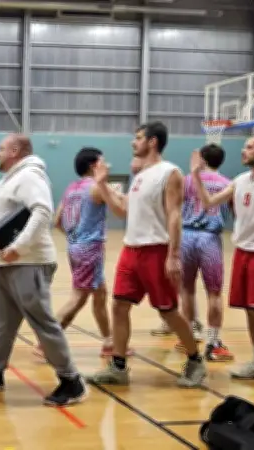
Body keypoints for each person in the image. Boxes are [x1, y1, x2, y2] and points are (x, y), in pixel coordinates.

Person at [0, 134, 86, 407]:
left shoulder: (29, 176)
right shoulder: (10, 179)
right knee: (1, 319)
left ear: (15, 151)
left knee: (42, 323)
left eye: (1, 148)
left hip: (29, 262)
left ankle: (71, 381)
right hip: (10, 263)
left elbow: (43, 211)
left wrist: (19, 246)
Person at [87, 121, 207, 388]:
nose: (133, 142)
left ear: (153, 142)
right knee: (119, 305)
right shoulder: (140, 176)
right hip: (131, 250)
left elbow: (174, 214)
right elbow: (123, 210)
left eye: (138, 137)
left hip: (157, 250)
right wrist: (102, 185)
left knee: (168, 312)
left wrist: (173, 255)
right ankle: (118, 367)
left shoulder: (170, 172)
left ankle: (195, 361)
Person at [33, 147, 130, 359]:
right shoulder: (96, 188)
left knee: (100, 294)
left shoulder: (71, 189)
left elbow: (57, 221)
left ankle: (109, 341)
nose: (106, 165)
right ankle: (45, 341)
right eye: (102, 162)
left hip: (75, 247)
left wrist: (74, 237)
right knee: (78, 298)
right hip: (90, 249)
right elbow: (122, 208)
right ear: (94, 165)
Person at [190, 136, 254, 378]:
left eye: (250, 147)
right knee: (250, 309)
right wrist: (197, 176)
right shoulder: (240, 181)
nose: (243, 151)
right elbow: (209, 202)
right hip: (242, 251)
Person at [170, 144, 234, 361]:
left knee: (186, 289)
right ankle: (213, 342)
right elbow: (236, 212)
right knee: (214, 293)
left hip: (186, 236)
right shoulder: (228, 184)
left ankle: (190, 334)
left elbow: (174, 209)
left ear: (202, 160)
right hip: (210, 238)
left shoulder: (186, 180)